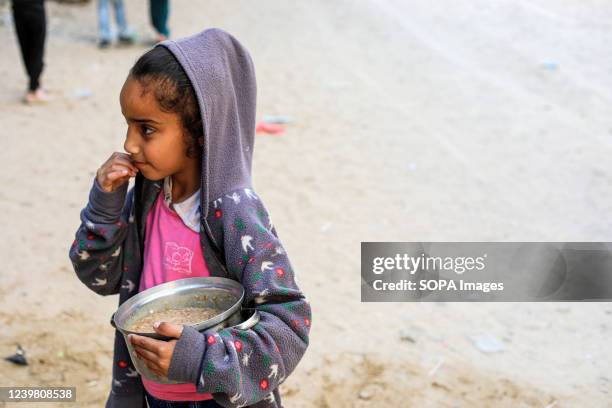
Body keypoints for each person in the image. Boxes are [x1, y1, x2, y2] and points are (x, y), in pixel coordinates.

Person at [69, 28, 311, 408]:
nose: (130, 144)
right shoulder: (146, 200)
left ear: (199, 131)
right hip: (151, 395)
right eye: (128, 125)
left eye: (146, 129)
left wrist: (198, 357)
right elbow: (100, 277)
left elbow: (289, 326)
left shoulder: (235, 215)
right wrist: (106, 205)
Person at [11, 0, 48, 104]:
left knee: (26, 48)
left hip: (18, 9)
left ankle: (35, 84)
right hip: (35, 9)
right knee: (36, 49)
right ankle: (33, 89)